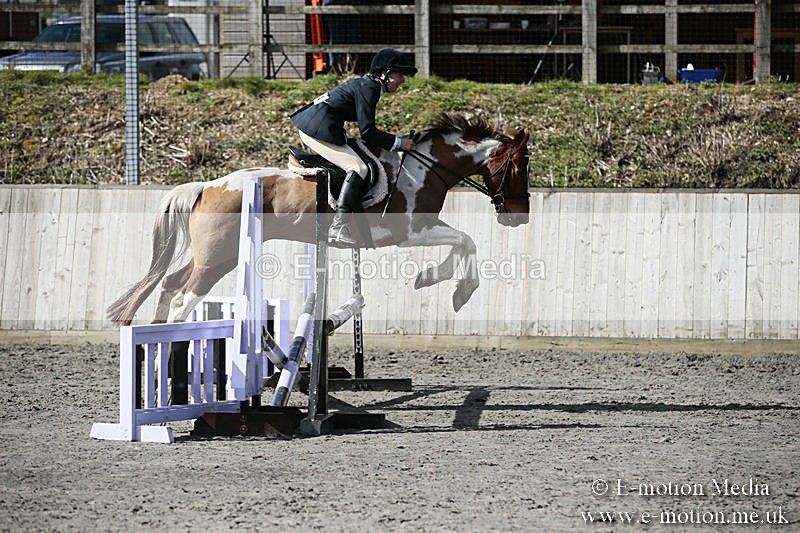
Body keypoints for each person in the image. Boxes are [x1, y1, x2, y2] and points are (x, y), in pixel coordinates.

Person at [291, 48, 418, 247]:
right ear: (384, 73)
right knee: (359, 168)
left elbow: (367, 132)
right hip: (315, 129)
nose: (402, 80)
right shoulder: (370, 88)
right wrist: (399, 143)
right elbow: (367, 132)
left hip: (320, 125)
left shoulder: (368, 85)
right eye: (399, 74)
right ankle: (339, 226)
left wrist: (394, 141)